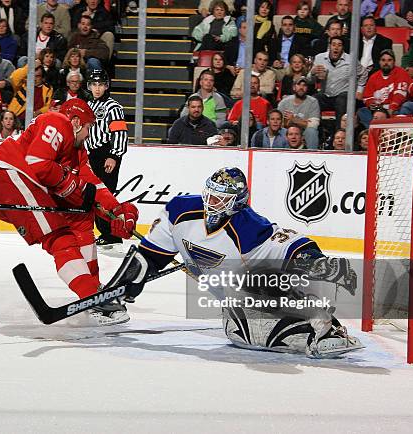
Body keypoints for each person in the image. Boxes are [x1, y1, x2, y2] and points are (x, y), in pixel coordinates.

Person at [108, 167, 362, 357]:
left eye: (220, 198)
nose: (211, 202)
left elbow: (291, 243)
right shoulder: (180, 211)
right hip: (237, 299)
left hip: (262, 292)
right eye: (210, 194)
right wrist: (122, 287)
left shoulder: (249, 227)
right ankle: (310, 328)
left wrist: (315, 261)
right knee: (239, 329)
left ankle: (325, 330)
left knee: (249, 316)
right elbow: (150, 256)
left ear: (237, 202)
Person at [0, 98, 139, 326]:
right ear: (75, 121)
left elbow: (92, 186)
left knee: (82, 218)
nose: (88, 134)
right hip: (9, 175)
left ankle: (93, 290)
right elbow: (38, 164)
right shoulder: (57, 121)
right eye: (87, 127)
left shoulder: (77, 152)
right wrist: (74, 187)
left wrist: (117, 211)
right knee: (60, 238)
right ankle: (92, 297)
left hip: (25, 184)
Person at [84, 70, 129, 248]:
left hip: (106, 154)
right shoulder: (88, 105)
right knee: (95, 196)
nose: (97, 88)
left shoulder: (113, 106)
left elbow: (120, 133)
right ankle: (105, 233)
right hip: (92, 155)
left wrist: (114, 155)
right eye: (94, 84)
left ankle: (111, 235)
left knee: (106, 195)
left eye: (100, 84)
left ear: (106, 86)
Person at [309, 36, 368, 129]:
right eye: (333, 45)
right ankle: (317, 131)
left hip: (343, 95)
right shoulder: (319, 58)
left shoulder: (351, 60)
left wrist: (359, 90)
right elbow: (310, 81)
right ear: (329, 46)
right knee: (313, 100)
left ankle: (339, 132)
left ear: (343, 47)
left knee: (341, 100)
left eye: (339, 45)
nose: (336, 47)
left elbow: (363, 73)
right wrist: (312, 73)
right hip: (326, 95)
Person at [358, 49, 412, 128]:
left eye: (389, 60)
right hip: (379, 108)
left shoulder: (401, 73)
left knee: (402, 111)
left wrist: (391, 109)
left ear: (394, 61)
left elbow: (400, 94)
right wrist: (371, 104)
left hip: (396, 108)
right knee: (362, 111)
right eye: (383, 60)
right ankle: (374, 132)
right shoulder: (374, 77)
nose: (386, 63)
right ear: (379, 62)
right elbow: (367, 97)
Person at [278, 77, 321, 149]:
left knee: (311, 131)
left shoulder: (313, 102)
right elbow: (279, 122)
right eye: (299, 85)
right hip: (288, 131)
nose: (301, 87)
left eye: (304, 85)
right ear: (294, 87)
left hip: (304, 132)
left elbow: (313, 125)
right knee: (280, 131)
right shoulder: (285, 102)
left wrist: (293, 120)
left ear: (307, 88)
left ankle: (312, 156)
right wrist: (303, 122)